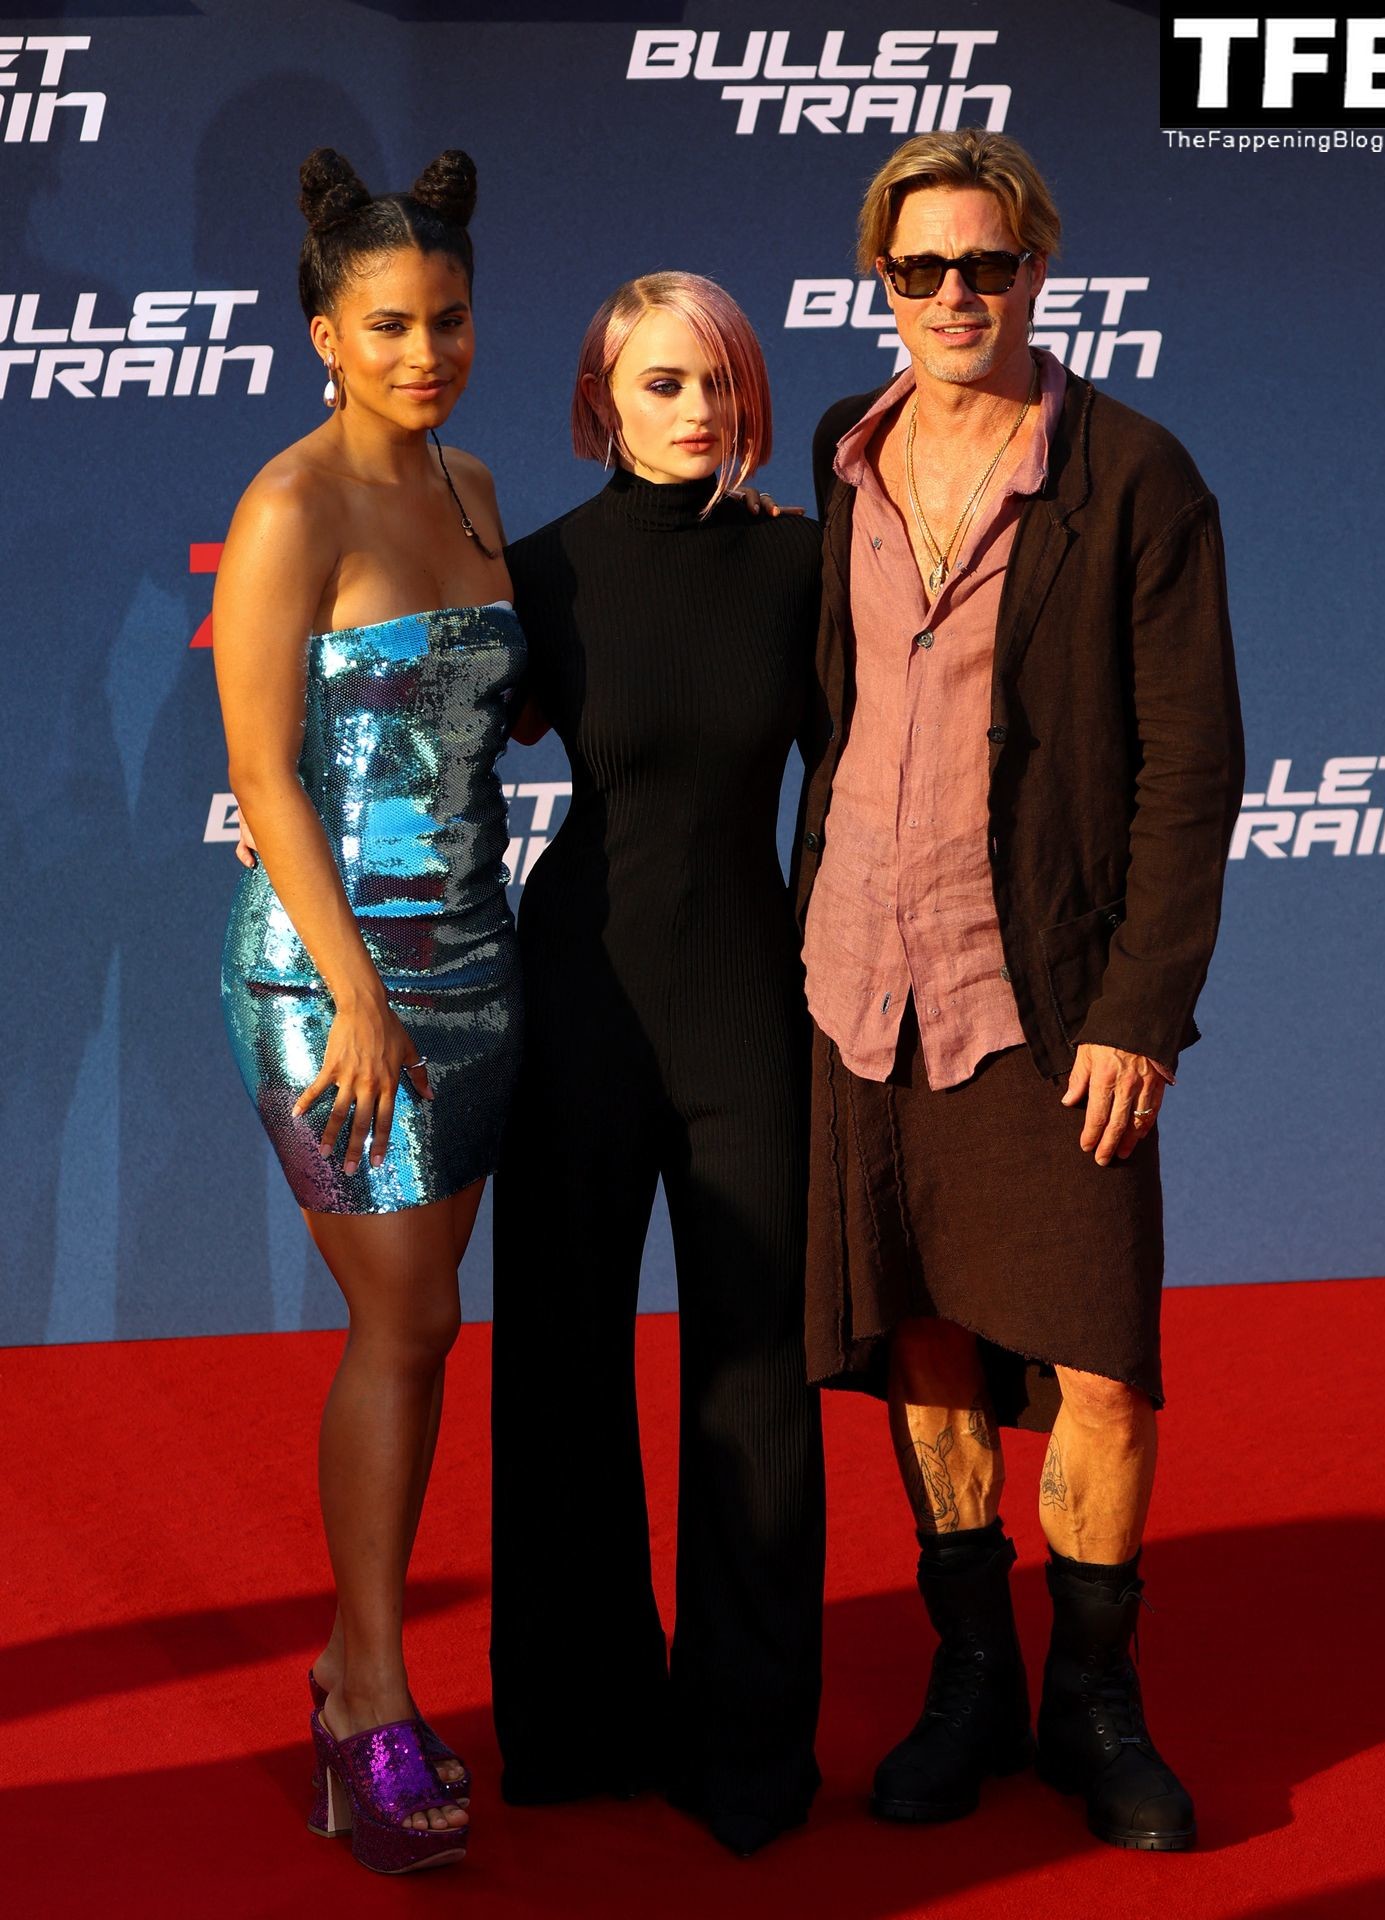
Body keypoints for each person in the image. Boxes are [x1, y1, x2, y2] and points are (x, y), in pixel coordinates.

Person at [793, 130, 1244, 1852]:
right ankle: (973, 1673)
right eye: (922, 269)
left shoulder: (1133, 477)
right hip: (860, 987)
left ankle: (1094, 1700)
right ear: (882, 282)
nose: (956, 296)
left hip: (1044, 1003)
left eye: (987, 265)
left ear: (1038, 270)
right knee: (923, 1334)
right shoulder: (841, 454)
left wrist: (1140, 1009)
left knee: (1101, 1363)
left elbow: (1192, 767)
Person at [488, 273, 826, 1858]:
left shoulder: (802, 564)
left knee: (758, 1377)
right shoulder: (542, 570)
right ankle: (575, 1726)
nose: (697, 410)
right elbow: (429, 742)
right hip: (580, 1001)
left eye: (718, 382)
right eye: (662, 385)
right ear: (600, 403)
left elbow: (864, 784)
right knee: (562, 1366)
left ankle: (746, 1746)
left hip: (755, 1006)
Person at [215, 146, 520, 1875]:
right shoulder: (292, 508)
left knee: (424, 1331)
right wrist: (354, 995)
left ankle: (353, 1661)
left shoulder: (474, 486)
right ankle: (371, 1700)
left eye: (449, 319)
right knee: (406, 1319)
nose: (426, 352)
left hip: (479, 959)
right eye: (389, 325)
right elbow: (264, 773)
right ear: (325, 334)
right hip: (327, 979)